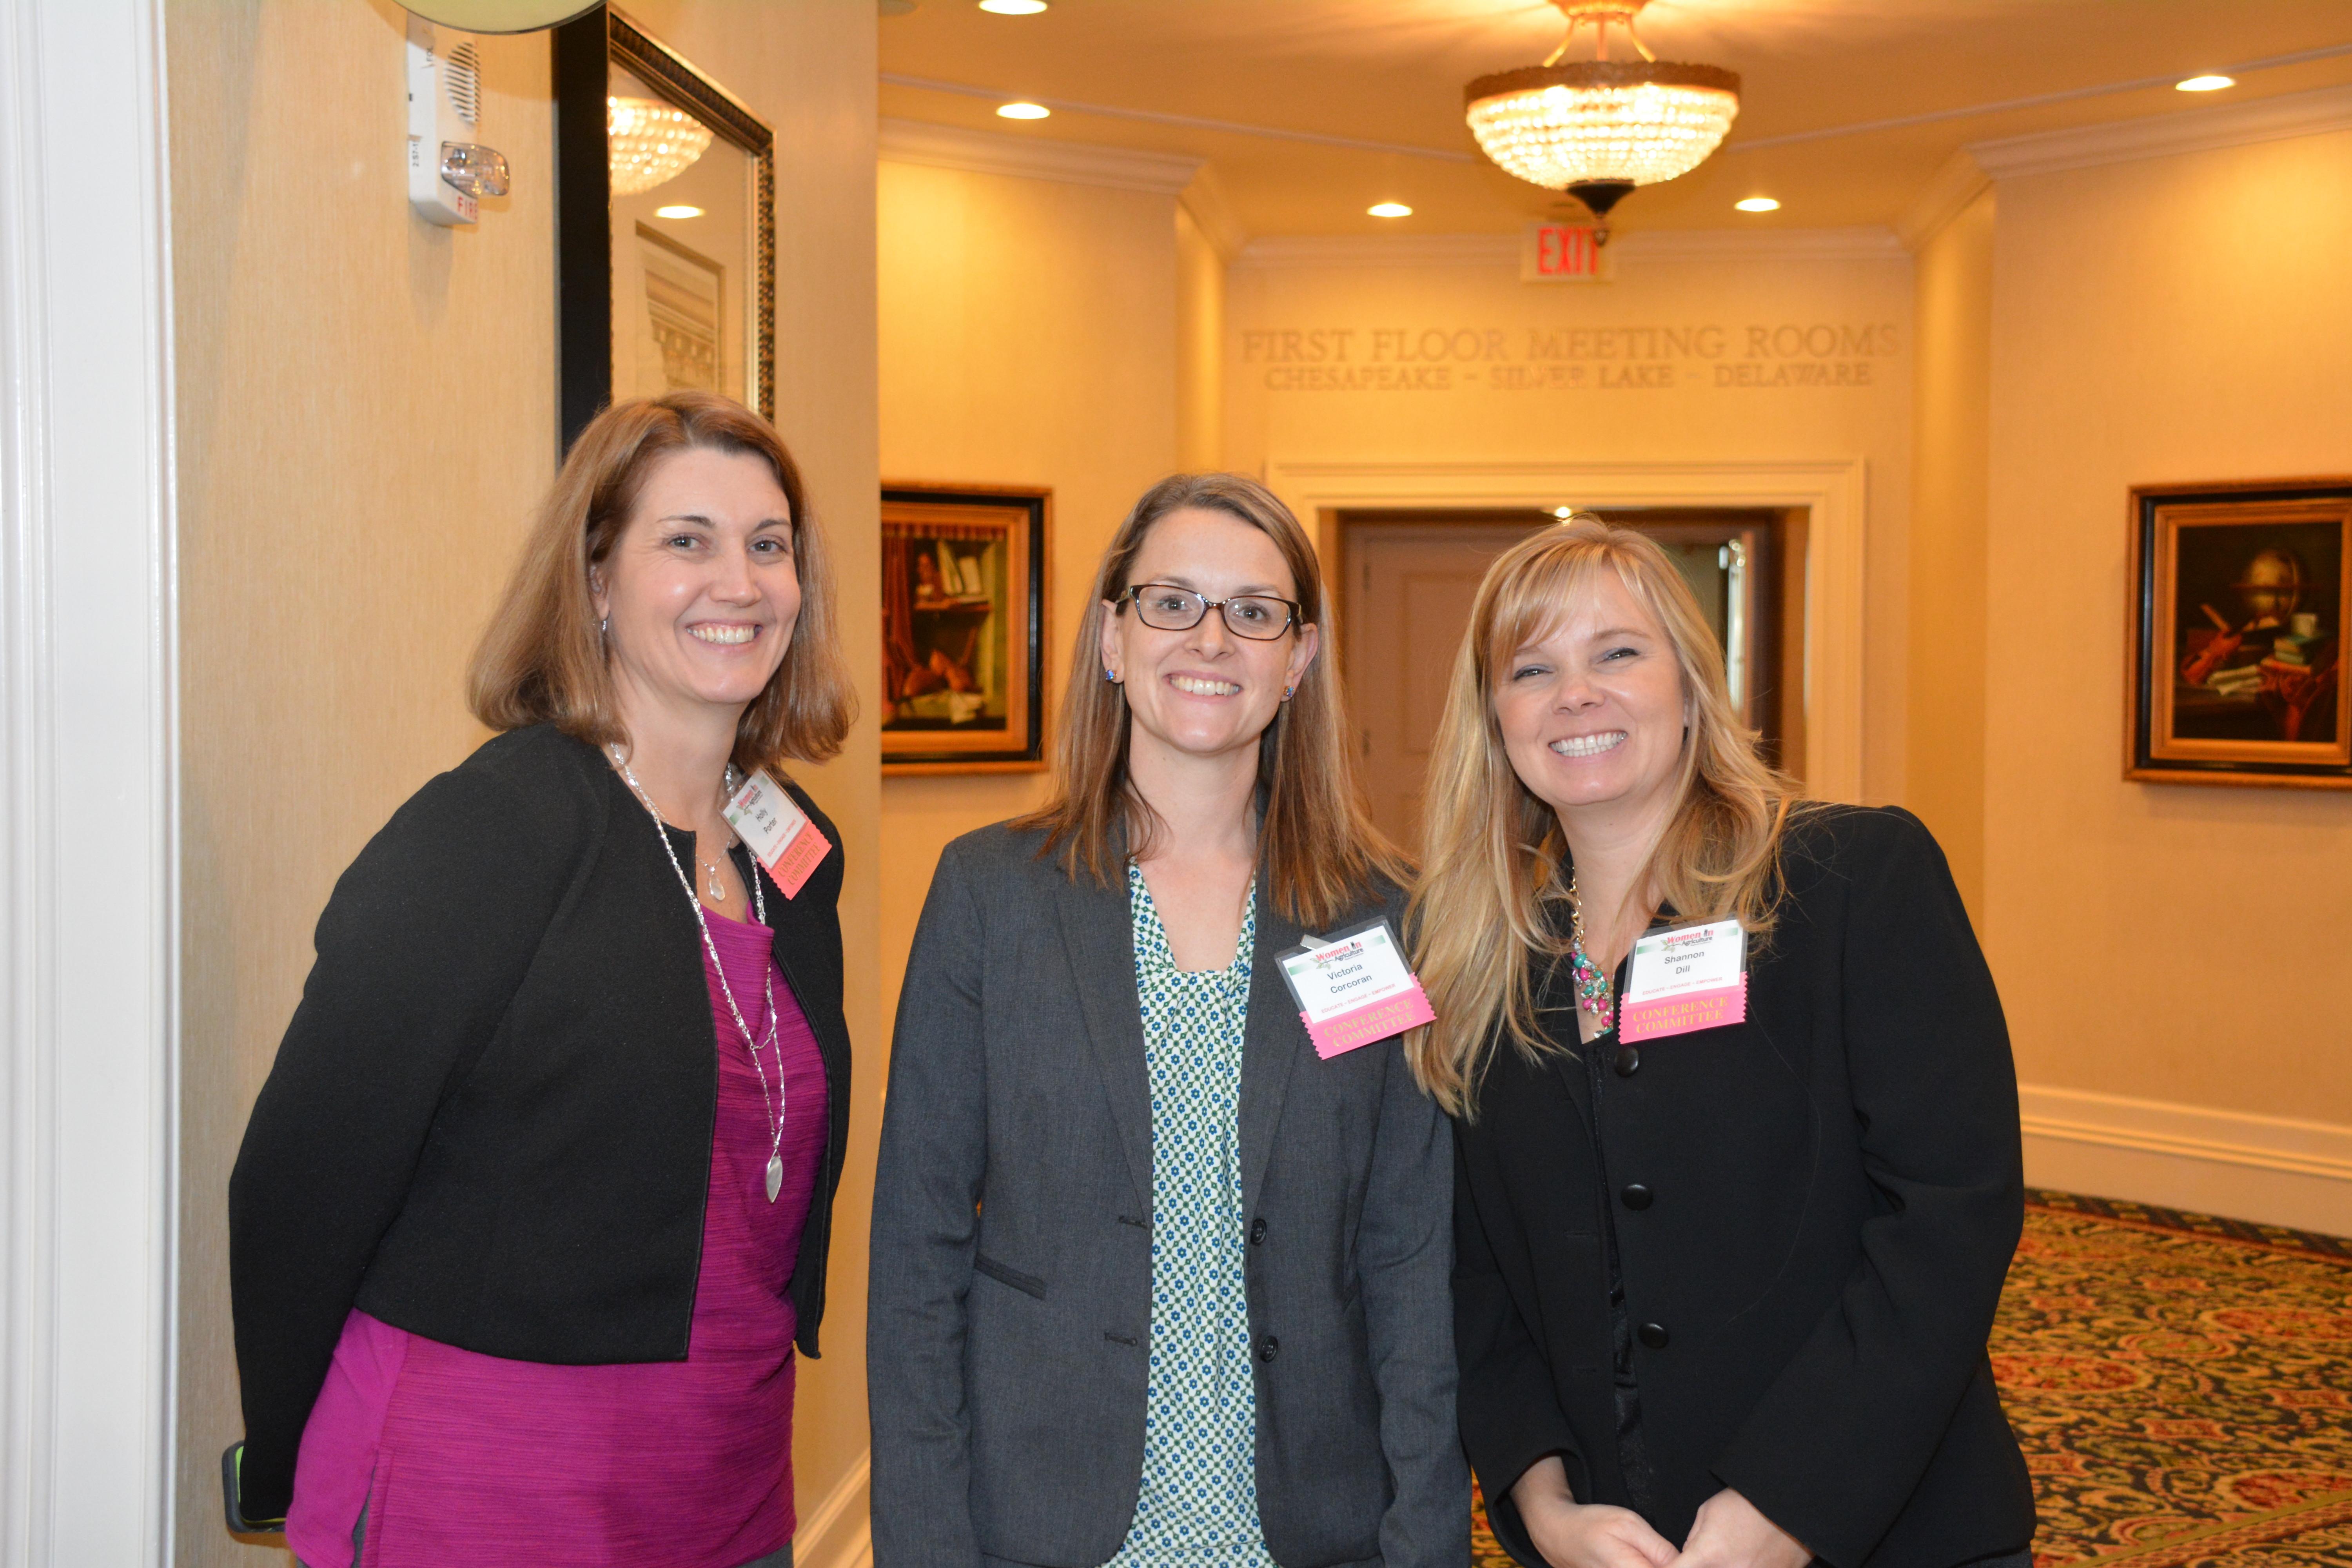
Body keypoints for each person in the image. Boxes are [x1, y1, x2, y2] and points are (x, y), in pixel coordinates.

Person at [223, 391, 858, 1568]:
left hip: (728, 1478)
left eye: (769, 546)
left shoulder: (792, 850)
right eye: (689, 541)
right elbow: (305, 1173)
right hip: (486, 1479)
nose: (742, 582)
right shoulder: (494, 830)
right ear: (598, 583)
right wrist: (279, 1446)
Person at [869, 473, 1468, 1568]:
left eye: (1255, 611)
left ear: (1299, 659)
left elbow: (1411, 1256)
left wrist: (1424, 1541)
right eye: (1171, 601)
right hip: (1044, 1523)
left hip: (1309, 1528)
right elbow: (918, 1251)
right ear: (1111, 636)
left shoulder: (1382, 918)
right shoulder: (990, 896)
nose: (1212, 639)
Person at [1410, 518, 2034, 1568]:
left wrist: (1780, 1509)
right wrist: (1542, 1498)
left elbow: (1949, 1220)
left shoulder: (1851, 879)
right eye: (1532, 669)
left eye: (1618, 652)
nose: (1576, 694)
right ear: (1495, 719)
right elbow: (1476, 1272)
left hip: (1879, 1530)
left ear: (1694, 685)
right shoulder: (1481, 964)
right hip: (1616, 1541)